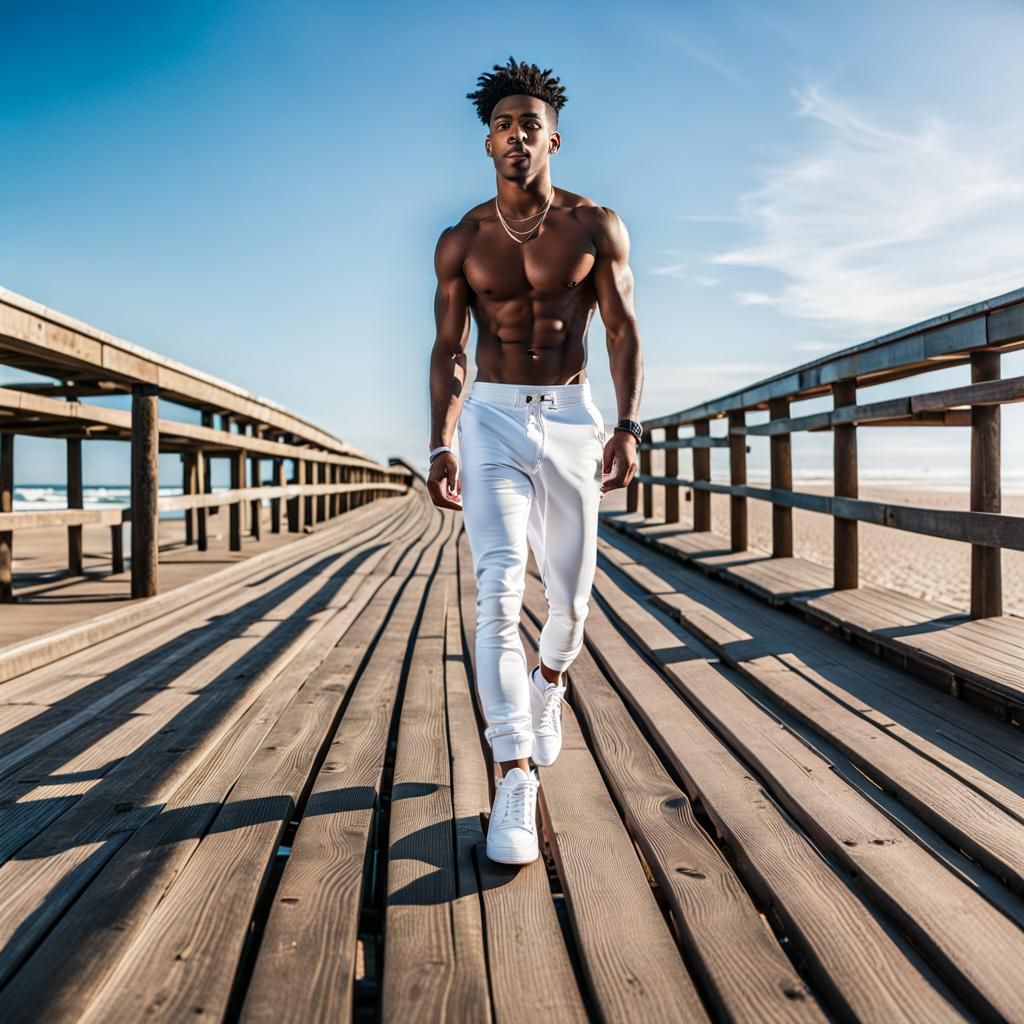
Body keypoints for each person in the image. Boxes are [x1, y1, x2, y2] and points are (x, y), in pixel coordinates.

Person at [426, 56, 644, 865]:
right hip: (490, 420)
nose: (517, 135)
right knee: (494, 593)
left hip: (573, 421)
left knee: (571, 602)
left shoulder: (594, 226)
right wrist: (440, 439)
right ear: (488, 143)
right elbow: (449, 350)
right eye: (502, 125)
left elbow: (621, 331)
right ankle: (514, 772)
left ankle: (550, 683)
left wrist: (629, 426)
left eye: (530, 124)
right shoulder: (462, 239)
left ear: (554, 137)